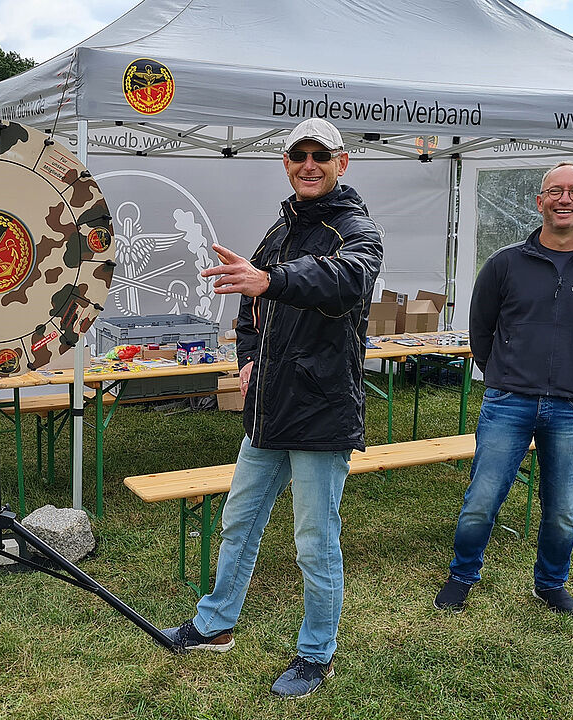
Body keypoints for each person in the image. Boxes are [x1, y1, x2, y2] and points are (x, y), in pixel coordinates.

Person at [161, 118, 382, 698]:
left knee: (315, 541)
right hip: (268, 407)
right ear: (285, 163)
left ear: (341, 163)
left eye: (320, 156)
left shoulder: (356, 230)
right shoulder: (280, 229)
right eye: (298, 155)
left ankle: (316, 654)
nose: (309, 165)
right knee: (239, 521)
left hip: (322, 409)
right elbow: (249, 304)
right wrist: (248, 358)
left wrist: (271, 280)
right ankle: (215, 625)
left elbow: (345, 281)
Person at [434, 161, 573, 618]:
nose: (565, 199)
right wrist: (504, 375)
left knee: (563, 508)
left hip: (572, 407)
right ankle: (463, 574)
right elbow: (481, 331)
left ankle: (551, 584)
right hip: (508, 402)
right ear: (539, 202)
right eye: (555, 191)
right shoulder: (504, 263)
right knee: (482, 499)